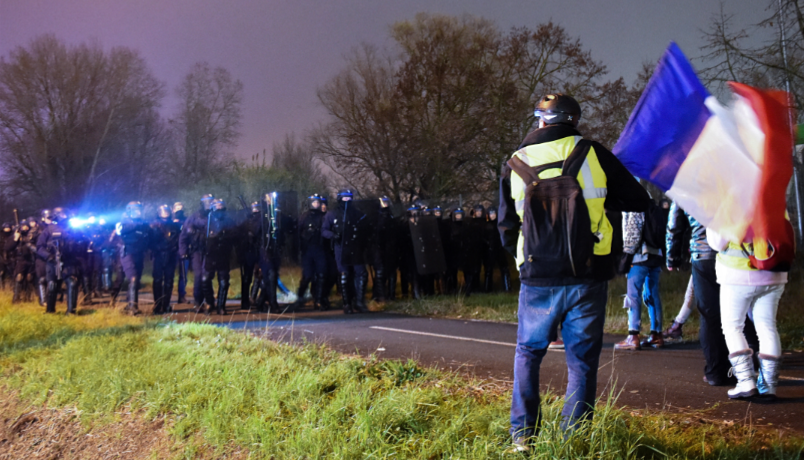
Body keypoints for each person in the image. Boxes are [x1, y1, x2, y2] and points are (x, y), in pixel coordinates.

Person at [498, 94, 649, 446]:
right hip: (588, 273)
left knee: (528, 353)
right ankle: (572, 439)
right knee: (581, 360)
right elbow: (639, 201)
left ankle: (522, 438)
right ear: (574, 120)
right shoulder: (594, 154)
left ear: (541, 121)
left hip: (537, 276)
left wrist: (526, 259)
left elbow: (505, 227)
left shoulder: (516, 161)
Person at [666, 202, 759, 386]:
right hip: (734, 252)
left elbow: (674, 223)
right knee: (741, 310)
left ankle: (716, 372)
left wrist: (672, 256)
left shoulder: (686, 181)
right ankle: (752, 362)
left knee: (710, 315)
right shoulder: (729, 177)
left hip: (703, 256)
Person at [707, 229, 788, 399]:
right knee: (767, 326)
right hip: (774, 271)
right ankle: (769, 387)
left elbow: (716, 243)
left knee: (732, 326)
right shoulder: (774, 202)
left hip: (738, 273)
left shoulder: (729, 203)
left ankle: (745, 382)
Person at [614, 200, 669, 350]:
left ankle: (633, 336)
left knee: (633, 295)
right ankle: (657, 335)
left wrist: (626, 255)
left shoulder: (633, 205)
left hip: (639, 256)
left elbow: (633, 233)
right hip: (656, 255)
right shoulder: (652, 204)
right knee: (652, 294)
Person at [322, 189, 369, 314]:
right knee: (344, 275)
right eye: (344, 198)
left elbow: (366, 230)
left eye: (349, 198)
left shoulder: (358, 214)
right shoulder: (332, 214)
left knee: (362, 273)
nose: (347, 200)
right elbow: (324, 231)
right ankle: (347, 304)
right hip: (341, 247)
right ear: (339, 199)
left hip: (356, 247)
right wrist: (333, 235)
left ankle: (359, 302)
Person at [179, 194, 215, 312]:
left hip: (211, 251)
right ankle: (198, 302)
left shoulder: (215, 217)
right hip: (197, 251)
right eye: (206, 201)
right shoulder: (193, 217)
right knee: (199, 276)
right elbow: (184, 236)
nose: (208, 204)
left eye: (210, 201)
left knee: (207, 276)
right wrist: (183, 251)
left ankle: (209, 301)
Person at [118, 201, 152, 315]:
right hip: (128, 254)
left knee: (136, 280)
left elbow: (149, 236)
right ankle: (133, 307)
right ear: (129, 210)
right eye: (136, 209)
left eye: (139, 210)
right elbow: (122, 230)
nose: (138, 212)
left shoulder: (143, 224)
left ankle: (129, 304)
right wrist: (137, 224)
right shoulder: (123, 223)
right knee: (132, 278)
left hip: (139, 254)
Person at [295, 194, 328, 310]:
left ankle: (318, 300)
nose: (316, 204)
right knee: (308, 275)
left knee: (321, 275)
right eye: (314, 202)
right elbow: (297, 234)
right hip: (307, 250)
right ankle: (300, 297)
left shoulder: (324, 217)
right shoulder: (304, 217)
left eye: (317, 202)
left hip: (320, 249)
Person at [150, 204, 181, 314]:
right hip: (158, 255)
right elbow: (150, 240)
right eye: (163, 211)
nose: (165, 213)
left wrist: (176, 249)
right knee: (158, 280)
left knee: (169, 281)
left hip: (171, 255)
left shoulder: (174, 225)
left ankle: (166, 304)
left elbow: (178, 239)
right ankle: (157, 305)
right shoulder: (154, 225)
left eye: (166, 211)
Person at [172, 202, 189, 304]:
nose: (180, 210)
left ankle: (181, 295)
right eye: (177, 208)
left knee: (183, 274)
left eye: (181, 208)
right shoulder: (169, 220)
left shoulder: (186, 221)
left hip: (183, 250)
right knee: (168, 275)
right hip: (172, 250)